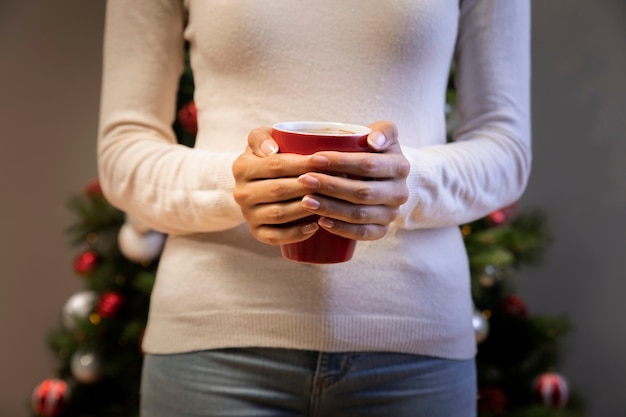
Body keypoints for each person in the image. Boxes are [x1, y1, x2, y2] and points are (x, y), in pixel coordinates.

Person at [97, 1, 531, 416]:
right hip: (213, 344)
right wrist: (233, 185)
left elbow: (506, 149)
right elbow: (122, 152)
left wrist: (406, 182)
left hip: (416, 347)